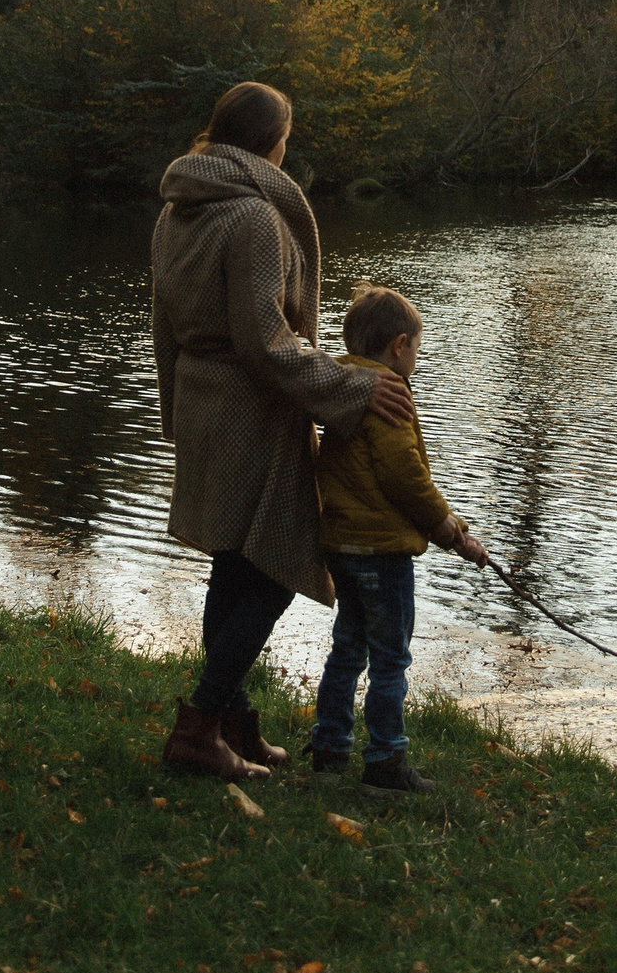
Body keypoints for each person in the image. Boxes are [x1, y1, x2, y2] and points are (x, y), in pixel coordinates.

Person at [151, 81, 415, 782]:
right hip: (251, 413)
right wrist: (355, 384)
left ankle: (232, 722)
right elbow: (268, 343)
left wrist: (174, 411)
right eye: (287, 136)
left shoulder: (177, 210)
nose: (287, 149)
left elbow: (162, 327)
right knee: (273, 568)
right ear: (271, 141)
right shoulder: (254, 219)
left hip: (206, 407)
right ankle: (200, 725)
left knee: (232, 561)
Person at [307, 282, 489, 797]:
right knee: (390, 658)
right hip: (382, 551)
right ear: (399, 345)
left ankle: (329, 749)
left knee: (347, 650)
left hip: (341, 545)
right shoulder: (388, 393)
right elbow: (404, 477)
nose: (415, 361)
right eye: (417, 350)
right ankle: (385, 758)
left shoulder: (339, 384)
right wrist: (452, 531)